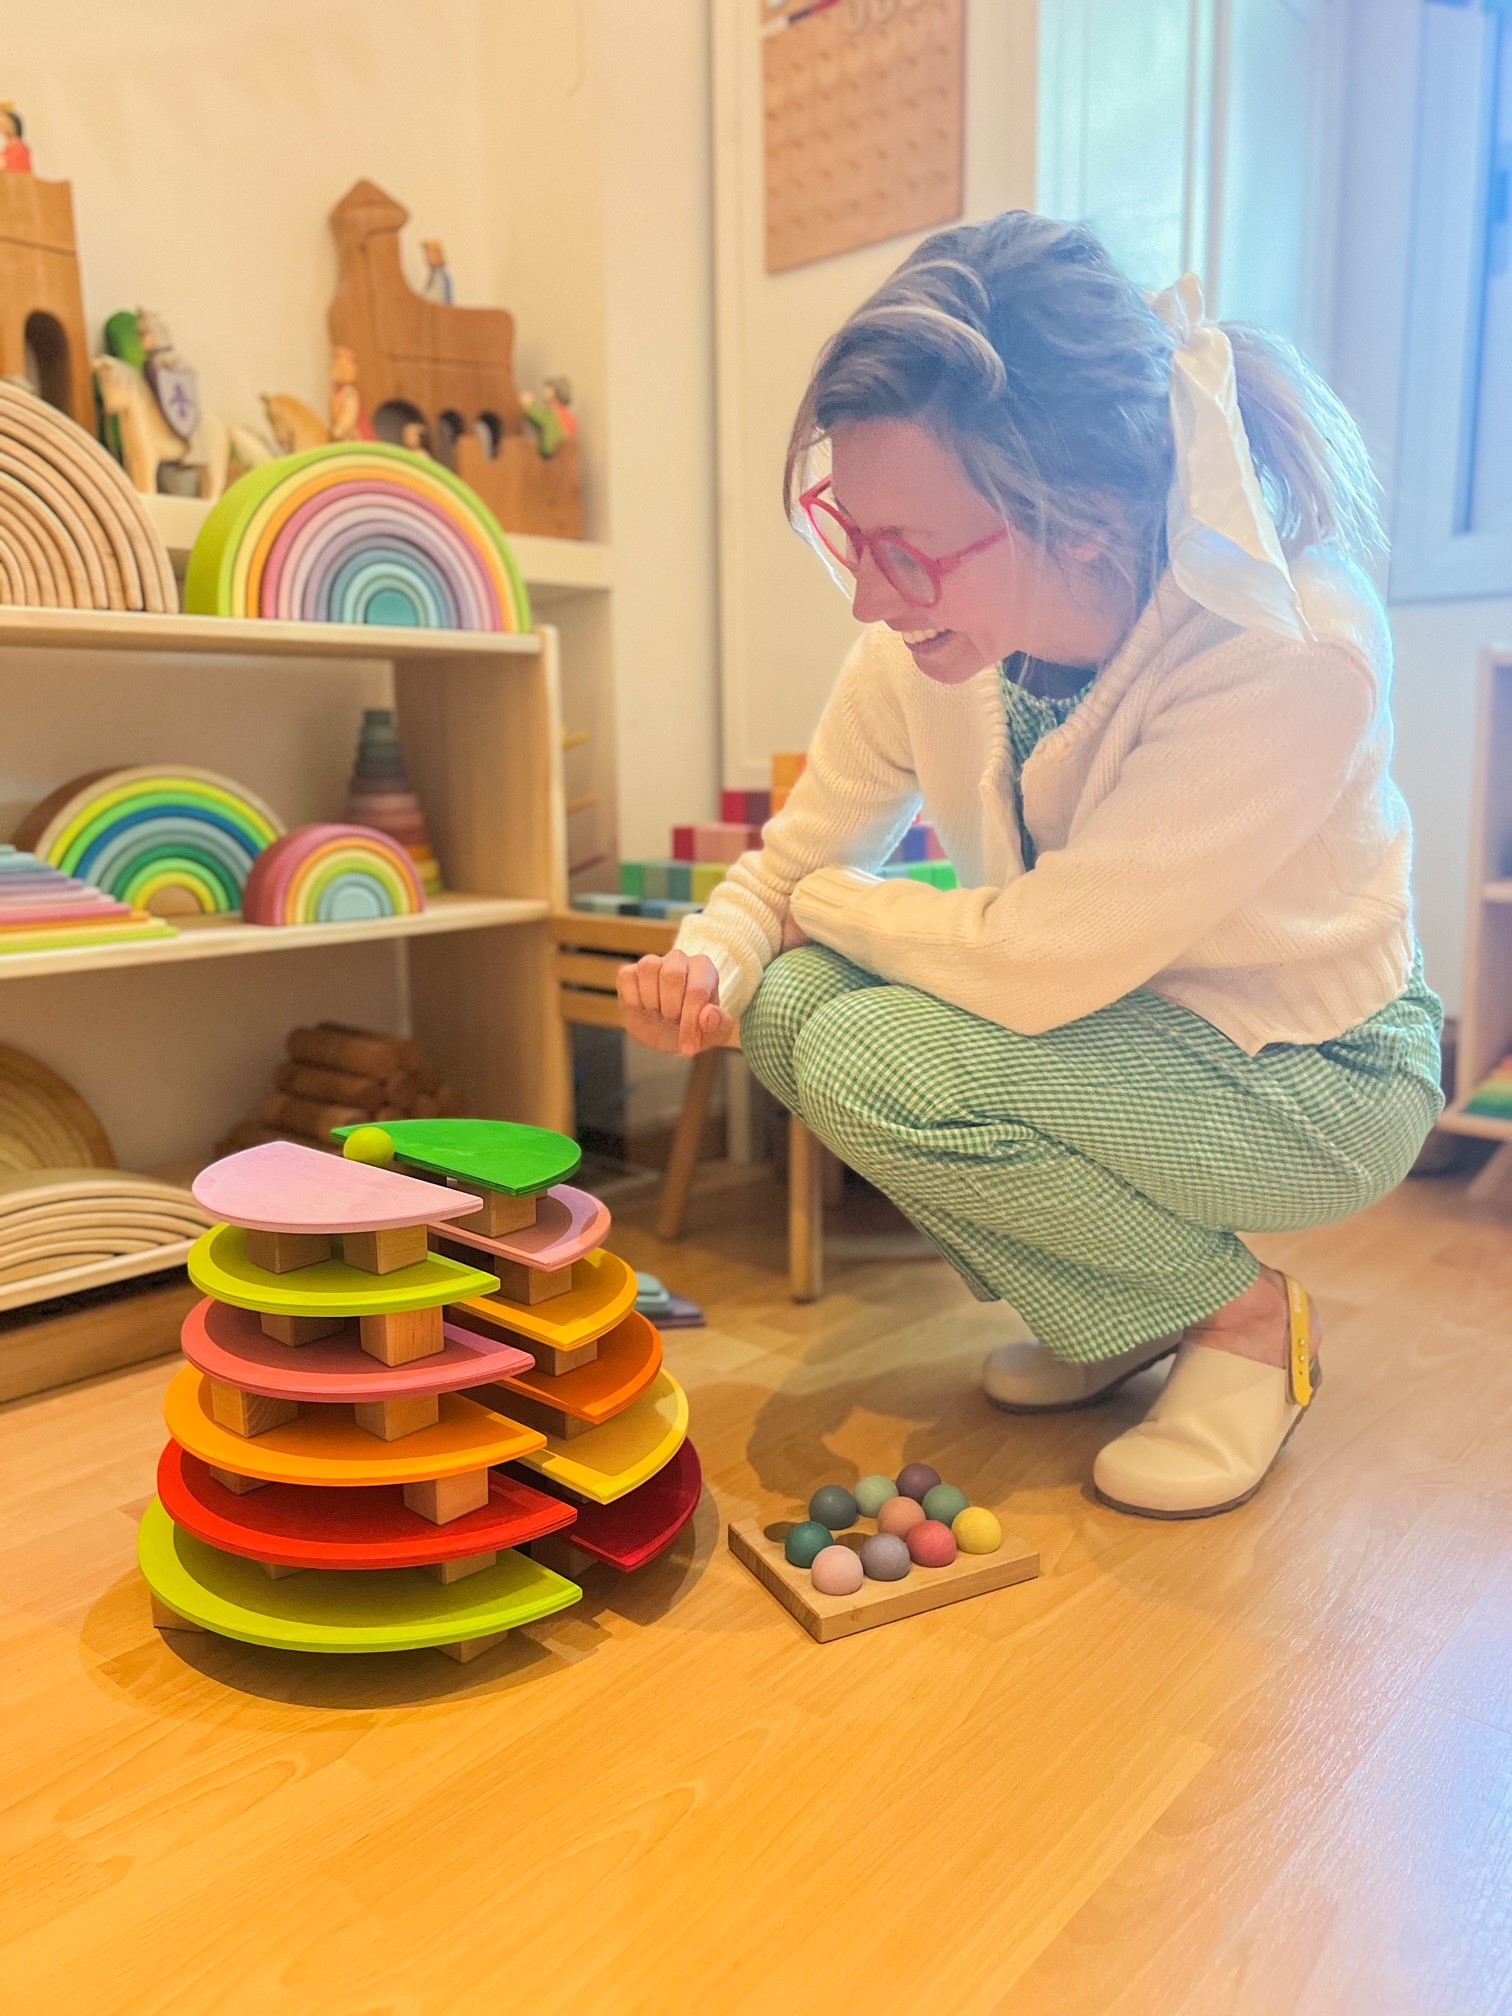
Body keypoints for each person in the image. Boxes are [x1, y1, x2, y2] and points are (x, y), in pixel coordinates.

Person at [618, 212, 1445, 1520]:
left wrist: (820, 911)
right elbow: (795, 858)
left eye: (910, 552)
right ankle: (1129, 1303)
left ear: (1080, 520)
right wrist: (709, 960)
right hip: (1118, 1022)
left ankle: (1240, 1325)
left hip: (1314, 1071)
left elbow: (1033, 961)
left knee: (861, 1043)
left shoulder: (1286, 645)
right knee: (780, 1010)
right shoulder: (931, 629)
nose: (869, 600)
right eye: (853, 532)